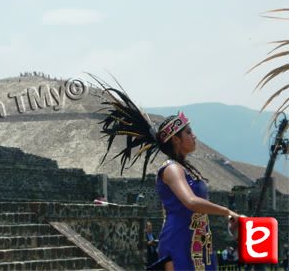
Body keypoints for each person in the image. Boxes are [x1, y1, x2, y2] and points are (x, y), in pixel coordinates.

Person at [91, 75, 241, 271]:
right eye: (188, 132)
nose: (194, 136)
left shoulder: (188, 169)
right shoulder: (171, 169)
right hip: (178, 241)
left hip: (200, 240)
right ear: (176, 140)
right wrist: (226, 211)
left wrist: (230, 222)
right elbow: (191, 202)